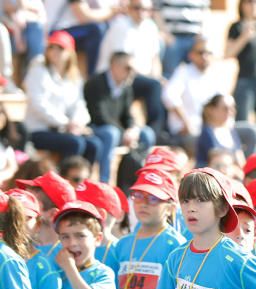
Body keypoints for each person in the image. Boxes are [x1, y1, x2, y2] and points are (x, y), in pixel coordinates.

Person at [23, 32, 102, 173]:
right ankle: (65, 185)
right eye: (52, 47)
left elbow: (79, 104)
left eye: (60, 48)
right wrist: (66, 123)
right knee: (74, 143)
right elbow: (38, 104)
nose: (55, 51)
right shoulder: (38, 68)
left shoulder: (73, 75)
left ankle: (82, 185)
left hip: (64, 130)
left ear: (70, 52)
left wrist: (77, 122)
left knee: (94, 144)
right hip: (39, 130)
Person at [95, 0, 165, 137]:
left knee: (160, 86)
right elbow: (122, 62)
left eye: (145, 9)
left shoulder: (150, 27)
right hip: (113, 79)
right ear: (128, 9)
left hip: (134, 77)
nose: (141, 12)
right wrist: (153, 81)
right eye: (137, 8)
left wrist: (157, 78)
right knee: (154, 86)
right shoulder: (121, 26)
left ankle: (157, 133)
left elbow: (155, 59)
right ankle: (154, 133)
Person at [84, 52, 157, 182]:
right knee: (111, 133)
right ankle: (104, 181)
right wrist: (124, 133)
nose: (132, 72)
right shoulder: (95, 83)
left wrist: (132, 128)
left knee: (147, 133)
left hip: (117, 130)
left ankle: (138, 179)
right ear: (114, 66)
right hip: (95, 129)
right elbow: (99, 116)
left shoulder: (126, 86)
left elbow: (127, 116)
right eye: (128, 68)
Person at [226, 0, 256, 144]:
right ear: (243, 5)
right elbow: (228, 53)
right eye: (250, 2)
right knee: (242, 123)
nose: (254, 6)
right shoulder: (236, 27)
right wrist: (244, 37)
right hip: (244, 81)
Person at [162, 37, 227, 143]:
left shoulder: (215, 76)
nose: (205, 57)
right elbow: (169, 96)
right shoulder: (183, 72)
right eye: (201, 53)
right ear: (191, 55)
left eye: (208, 53)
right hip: (187, 132)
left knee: (251, 133)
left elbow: (224, 103)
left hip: (213, 131)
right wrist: (186, 123)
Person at [157, 0, 210, 79]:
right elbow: (156, 10)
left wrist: (202, 33)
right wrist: (165, 34)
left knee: (196, 74)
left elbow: (205, 10)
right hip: (172, 38)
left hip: (194, 38)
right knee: (170, 75)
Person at [196, 94, 245, 168]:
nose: (230, 112)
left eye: (233, 108)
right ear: (212, 110)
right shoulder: (207, 132)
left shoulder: (231, 131)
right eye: (225, 108)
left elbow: (241, 161)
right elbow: (218, 163)